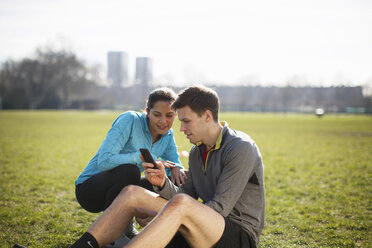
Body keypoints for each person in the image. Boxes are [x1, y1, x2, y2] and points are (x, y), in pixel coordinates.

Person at [70, 85, 265, 248]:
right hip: (198, 228)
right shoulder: (197, 152)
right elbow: (185, 196)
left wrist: (162, 215)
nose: (180, 129)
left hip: (237, 236)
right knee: (132, 193)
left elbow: (218, 209)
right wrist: (163, 183)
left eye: (186, 121)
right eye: (180, 122)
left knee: (180, 205)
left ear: (207, 116)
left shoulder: (241, 148)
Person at [74, 87, 186, 246]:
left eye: (169, 115)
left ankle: (129, 230)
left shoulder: (168, 136)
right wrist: (139, 158)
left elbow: (174, 163)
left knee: (155, 180)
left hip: (120, 188)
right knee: (130, 171)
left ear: (175, 115)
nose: (163, 121)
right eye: (157, 115)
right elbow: (104, 160)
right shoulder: (130, 120)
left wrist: (177, 168)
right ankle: (113, 237)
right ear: (147, 111)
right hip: (89, 190)